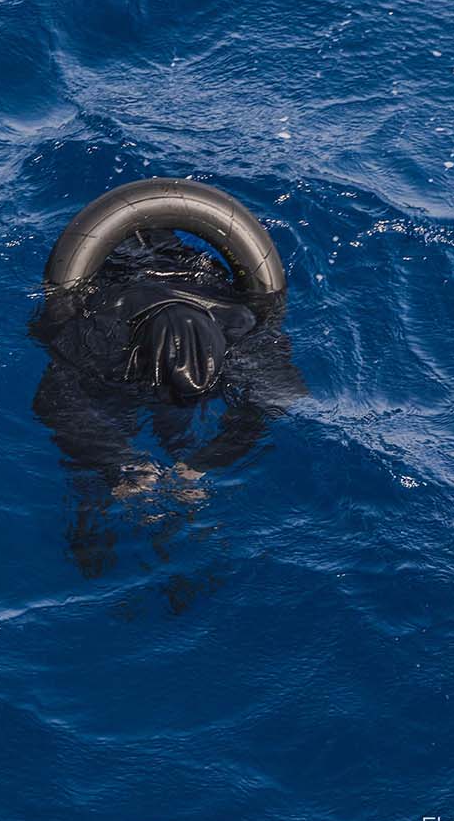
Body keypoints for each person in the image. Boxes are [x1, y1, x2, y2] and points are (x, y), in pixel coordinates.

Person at [32, 227, 304, 584]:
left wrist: (204, 463)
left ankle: (190, 544)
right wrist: (121, 465)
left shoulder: (241, 334)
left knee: (181, 438)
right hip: (118, 281)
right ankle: (94, 543)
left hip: (189, 274)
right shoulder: (101, 339)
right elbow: (57, 404)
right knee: (101, 452)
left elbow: (274, 403)